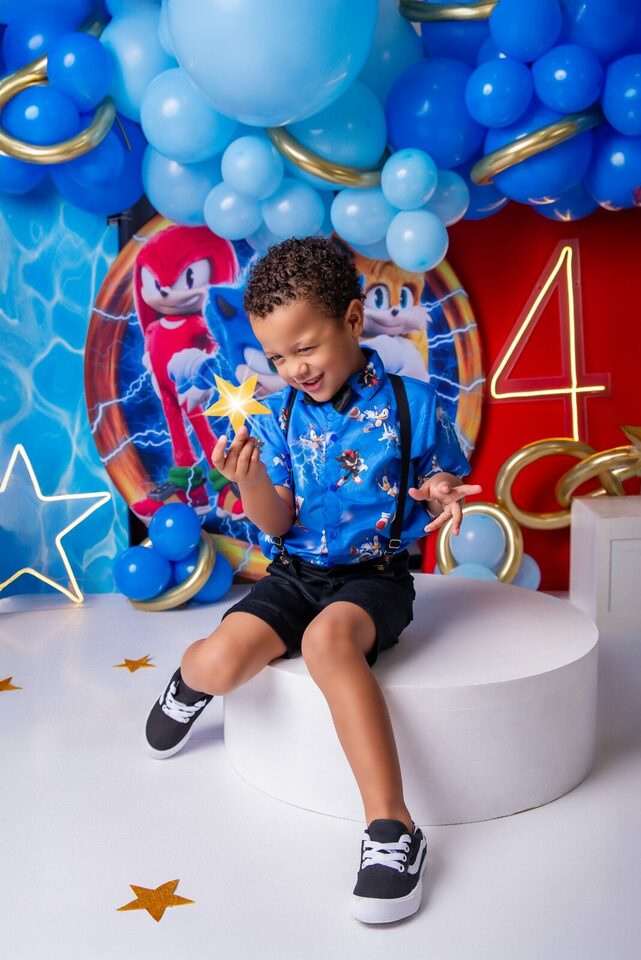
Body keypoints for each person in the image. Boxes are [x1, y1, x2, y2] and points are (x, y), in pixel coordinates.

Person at [144, 237, 482, 924]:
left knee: (329, 644)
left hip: (373, 577)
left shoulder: (413, 403)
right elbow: (275, 520)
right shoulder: (279, 418)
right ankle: (189, 683)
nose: (293, 369)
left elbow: (437, 473)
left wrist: (442, 488)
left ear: (352, 321)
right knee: (216, 662)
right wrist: (247, 482)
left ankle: (392, 830)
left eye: (305, 348)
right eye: (276, 358)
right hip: (296, 573)